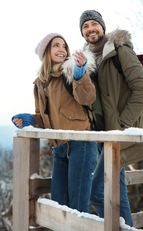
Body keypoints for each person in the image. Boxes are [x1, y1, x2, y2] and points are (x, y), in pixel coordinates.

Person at [79, 10, 143, 226]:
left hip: (120, 133)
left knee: (96, 191)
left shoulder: (119, 50)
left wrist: (123, 123)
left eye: (94, 24)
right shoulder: (89, 60)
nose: (90, 29)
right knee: (118, 195)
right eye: (85, 26)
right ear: (82, 33)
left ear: (102, 27)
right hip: (106, 137)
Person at [11, 33, 99, 213]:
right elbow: (43, 118)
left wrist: (80, 74)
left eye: (64, 46)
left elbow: (88, 98)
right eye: (56, 45)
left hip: (80, 145)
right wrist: (29, 120)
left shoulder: (72, 71)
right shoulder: (40, 83)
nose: (61, 49)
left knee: (77, 209)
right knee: (59, 205)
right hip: (59, 148)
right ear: (46, 52)